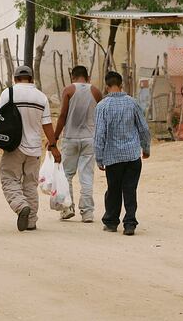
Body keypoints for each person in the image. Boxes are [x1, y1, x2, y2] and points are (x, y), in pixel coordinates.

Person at [0, 65, 60, 232]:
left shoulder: (9, 93)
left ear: (15, 78)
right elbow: (47, 124)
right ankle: (31, 221)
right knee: (30, 183)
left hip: (13, 145)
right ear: (32, 79)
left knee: (9, 178)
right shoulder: (41, 97)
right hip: (34, 148)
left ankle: (21, 206)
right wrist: (53, 146)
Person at [93, 71, 151, 236]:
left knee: (114, 189)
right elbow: (144, 128)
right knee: (130, 189)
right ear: (121, 85)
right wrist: (145, 148)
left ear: (106, 86)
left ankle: (111, 222)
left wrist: (99, 157)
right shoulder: (132, 103)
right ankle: (130, 224)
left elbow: (99, 134)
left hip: (113, 157)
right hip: (132, 156)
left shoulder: (102, 106)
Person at [53, 65, 102, 223]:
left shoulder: (68, 90)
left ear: (72, 77)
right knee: (86, 176)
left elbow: (62, 115)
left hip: (71, 138)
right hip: (90, 138)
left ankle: (68, 208)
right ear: (88, 78)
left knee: (67, 175)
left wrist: (54, 138)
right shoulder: (96, 91)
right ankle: (87, 212)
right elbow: (100, 116)